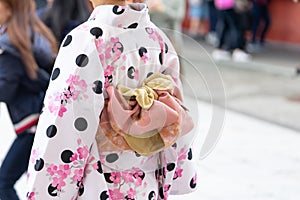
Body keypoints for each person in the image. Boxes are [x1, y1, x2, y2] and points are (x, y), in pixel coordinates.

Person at [26, 0, 197, 199]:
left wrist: (45, 191)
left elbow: (64, 123)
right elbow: (176, 114)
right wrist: (178, 173)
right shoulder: (158, 39)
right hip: (146, 184)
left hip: (99, 184)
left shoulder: (88, 39)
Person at [0, 0, 57, 199]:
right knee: (37, 182)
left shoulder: (8, 44)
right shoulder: (33, 35)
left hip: (30, 122)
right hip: (41, 116)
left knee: (3, 182)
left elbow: (6, 88)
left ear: (10, 9)